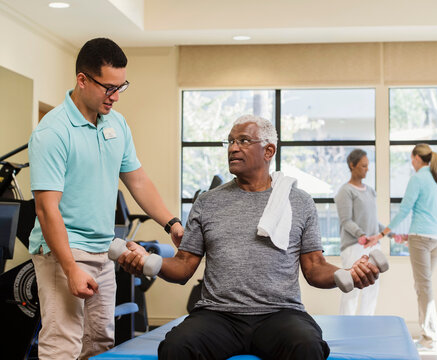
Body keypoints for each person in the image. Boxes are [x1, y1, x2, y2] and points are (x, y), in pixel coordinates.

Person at [119, 115, 380, 360]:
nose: (233, 148)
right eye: (230, 141)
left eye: (243, 141)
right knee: (176, 347)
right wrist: (148, 263)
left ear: (269, 151)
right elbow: (184, 265)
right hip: (218, 315)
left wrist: (347, 274)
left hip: (280, 313)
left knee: (308, 346)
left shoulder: (299, 202)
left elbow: (315, 268)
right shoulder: (207, 202)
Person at [28, 37, 184, 360]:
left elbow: (137, 180)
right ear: (82, 80)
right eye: (108, 87)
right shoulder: (53, 132)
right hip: (63, 251)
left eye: (120, 87)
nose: (115, 96)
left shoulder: (116, 123)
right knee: (62, 345)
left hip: (103, 250)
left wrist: (171, 222)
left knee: (99, 345)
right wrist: (70, 268)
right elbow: (46, 209)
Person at [370, 143, 437, 350]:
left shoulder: (418, 177)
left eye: (411, 159)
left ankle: (430, 338)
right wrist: (408, 236)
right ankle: (429, 335)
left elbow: (405, 210)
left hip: (421, 237)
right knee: (424, 286)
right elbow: (430, 212)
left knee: (423, 286)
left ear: (416, 158)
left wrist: (382, 234)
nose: (411, 162)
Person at [334, 149, 384, 316]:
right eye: (363, 166)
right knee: (351, 290)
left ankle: (366, 327)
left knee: (372, 290)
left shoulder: (370, 191)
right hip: (354, 246)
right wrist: (362, 235)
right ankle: (346, 328)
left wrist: (388, 232)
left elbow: (372, 221)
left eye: (368, 166)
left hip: (372, 246)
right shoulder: (345, 191)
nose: (367, 169)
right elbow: (346, 220)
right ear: (352, 165)